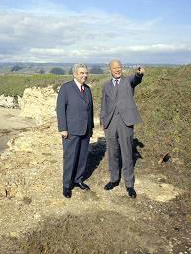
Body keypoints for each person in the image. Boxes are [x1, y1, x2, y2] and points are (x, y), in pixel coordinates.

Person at [100, 60, 144, 198]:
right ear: (110, 70)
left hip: (125, 122)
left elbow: (136, 79)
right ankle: (114, 180)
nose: (117, 70)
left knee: (126, 153)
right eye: (114, 68)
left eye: (119, 67)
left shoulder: (128, 81)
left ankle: (129, 184)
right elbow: (104, 104)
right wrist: (103, 120)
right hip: (111, 123)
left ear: (122, 68)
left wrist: (139, 73)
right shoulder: (106, 85)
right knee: (112, 152)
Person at [56, 63, 94, 199]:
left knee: (82, 157)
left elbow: (90, 110)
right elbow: (60, 109)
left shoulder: (88, 89)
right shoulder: (66, 88)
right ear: (75, 74)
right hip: (71, 131)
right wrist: (63, 128)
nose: (84, 75)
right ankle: (67, 185)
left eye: (86, 73)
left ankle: (78, 180)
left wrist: (91, 128)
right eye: (81, 73)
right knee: (70, 158)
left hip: (85, 130)